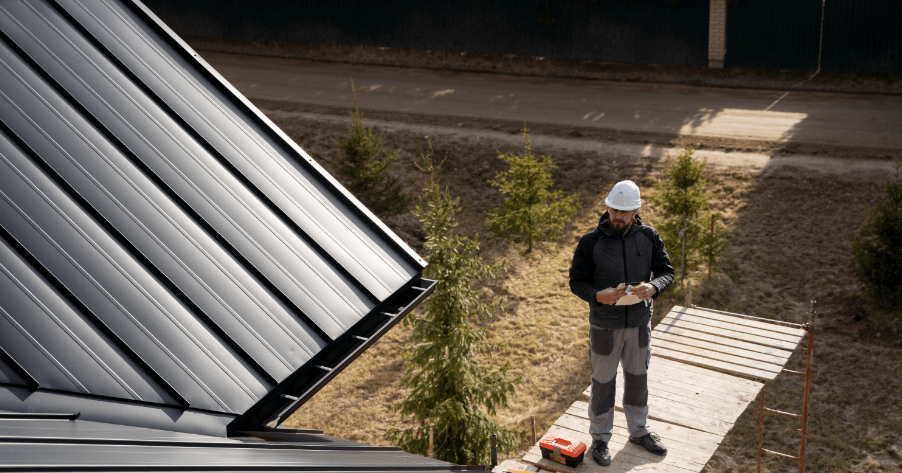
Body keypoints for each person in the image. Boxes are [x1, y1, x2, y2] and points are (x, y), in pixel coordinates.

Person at [568, 180, 674, 466]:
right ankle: (600, 439)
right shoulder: (590, 242)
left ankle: (639, 432)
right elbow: (576, 282)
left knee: (638, 380)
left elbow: (666, 272)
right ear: (607, 207)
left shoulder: (649, 237)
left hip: (639, 324)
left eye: (624, 212)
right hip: (605, 326)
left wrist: (653, 287)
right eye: (614, 209)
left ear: (636, 211)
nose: (618, 216)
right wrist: (596, 296)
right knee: (603, 383)